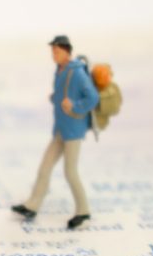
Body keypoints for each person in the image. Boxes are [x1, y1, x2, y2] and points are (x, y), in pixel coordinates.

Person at [12, 35, 99, 229]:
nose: (54, 55)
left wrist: (75, 105)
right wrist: (55, 97)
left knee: (70, 172)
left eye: (57, 52)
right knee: (45, 167)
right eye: (52, 51)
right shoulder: (59, 70)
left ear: (67, 52)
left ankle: (83, 210)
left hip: (73, 131)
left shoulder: (76, 72)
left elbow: (92, 97)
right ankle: (32, 205)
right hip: (60, 128)